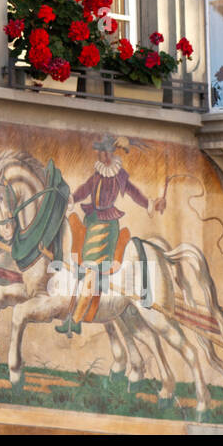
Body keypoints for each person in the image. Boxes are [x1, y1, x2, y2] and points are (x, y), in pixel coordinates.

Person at [55, 135, 165, 335]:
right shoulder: (97, 174)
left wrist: (150, 203)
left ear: (110, 153)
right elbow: (85, 190)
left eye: (103, 150)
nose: (100, 154)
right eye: (99, 151)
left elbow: (133, 192)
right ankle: (74, 312)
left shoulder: (119, 175)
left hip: (107, 226)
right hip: (92, 221)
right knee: (79, 267)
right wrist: (71, 198)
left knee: (91, 271)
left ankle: (76, 320)